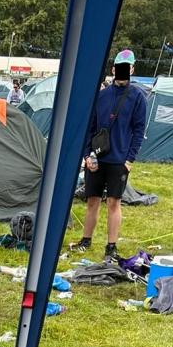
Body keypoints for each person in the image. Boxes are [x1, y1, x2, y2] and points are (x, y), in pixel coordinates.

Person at [71, 49, 147, 262]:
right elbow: (90, 127)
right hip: (96, 158)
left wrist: (129, 160)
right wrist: (87, 155)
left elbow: (139, 130)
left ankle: (111, 247)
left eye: (127, 68)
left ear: (132, 70)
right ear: (113, 70)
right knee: (92, 201)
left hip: (119, 161)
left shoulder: (138, 97)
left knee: (114, 203)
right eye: (119, 68)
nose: (122, 71)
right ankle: (86, 240)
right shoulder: (101, 96)